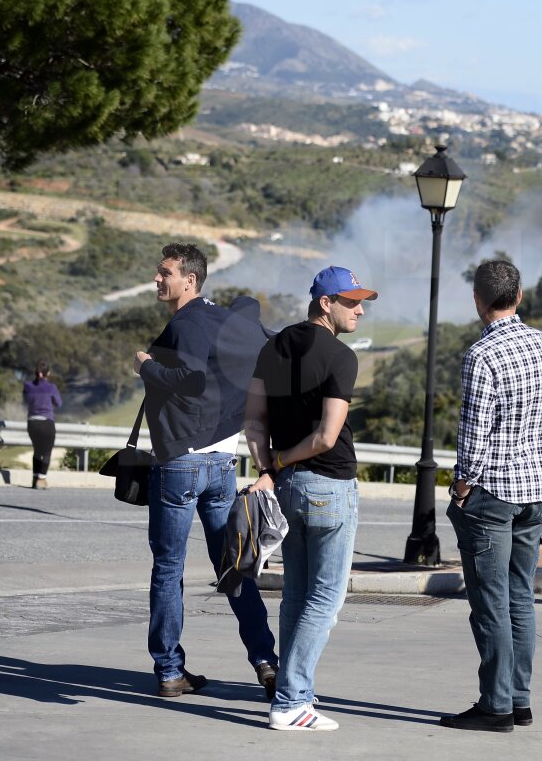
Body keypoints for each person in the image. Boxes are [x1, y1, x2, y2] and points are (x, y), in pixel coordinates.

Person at [134, 242, 278, 700]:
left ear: (189, 280)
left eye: (165, 273)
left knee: (168, 567)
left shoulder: (188, 322)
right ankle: (265, 660)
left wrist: (148, 366)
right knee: (234, 566)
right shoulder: (227, 320)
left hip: (181, 462)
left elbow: (190, 379)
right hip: (221, 461)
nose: (158, 279)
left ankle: (170, 671)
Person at [244, 265, 375, 732]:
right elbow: (325, 436)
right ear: (326, 303)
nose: (360, 309)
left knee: (296, 596)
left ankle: (293, 691)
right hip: (329, 486)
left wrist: (268, 468)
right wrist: (280, 463)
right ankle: (293, 700)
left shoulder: (270, 348)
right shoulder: (341, 357)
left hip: (286, 488)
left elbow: (254, 422)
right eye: (352, 301)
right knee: (325, 599)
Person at [439, 260, 542, 733]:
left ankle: (495, 707)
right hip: (535, 491)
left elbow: (474, 433)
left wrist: (462, 485)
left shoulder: (482, 355)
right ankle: (520, 699)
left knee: (489, 602)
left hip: (492, 494)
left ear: (477, 299)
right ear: (519, 295)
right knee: (520, 598)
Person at [22, 360, 61, 490]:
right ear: (48, 373)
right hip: (46, 422)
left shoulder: (27, 386)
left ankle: (34, 478)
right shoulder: (51, 388)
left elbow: (26, 400)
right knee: (47, 452)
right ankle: (42, 479)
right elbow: (58, 403)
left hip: (32, 423)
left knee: (37, 451)